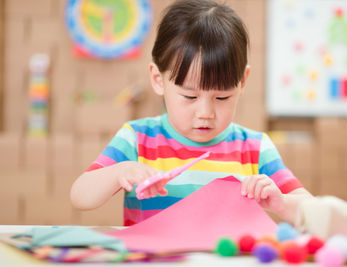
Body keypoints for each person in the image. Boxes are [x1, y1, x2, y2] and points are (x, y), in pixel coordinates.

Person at [70, 0, 313, 226]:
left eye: (222, 97)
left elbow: (312, 209)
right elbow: (80, 196)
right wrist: (121, 171)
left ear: (242, 81)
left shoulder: (255, 148)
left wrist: (281, 202)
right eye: (190, 96)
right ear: (158, 79)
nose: (205, 113)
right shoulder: (137, 138)